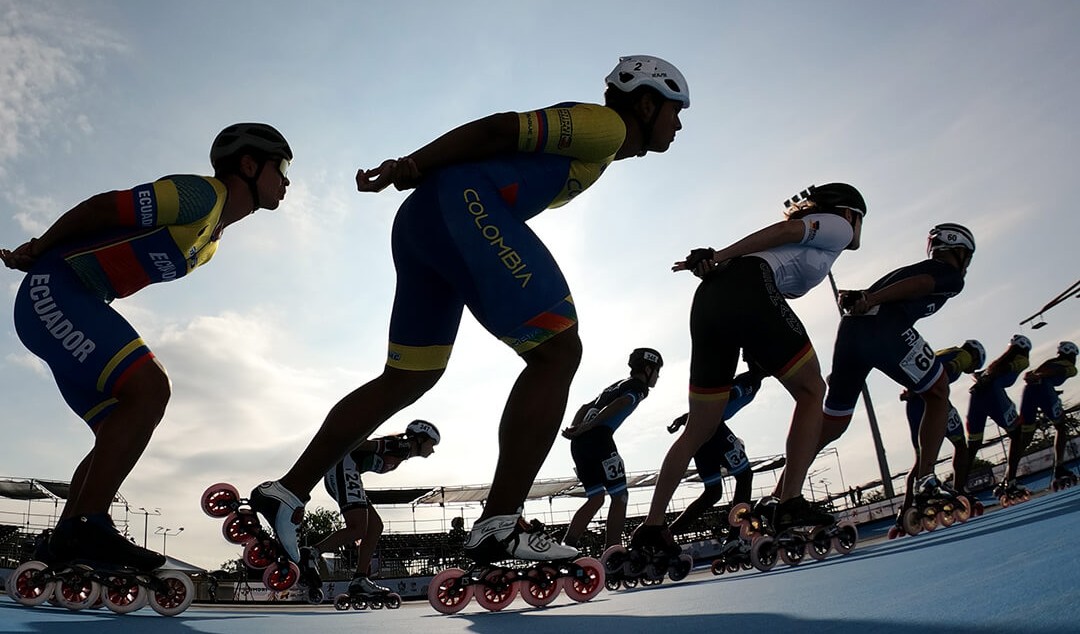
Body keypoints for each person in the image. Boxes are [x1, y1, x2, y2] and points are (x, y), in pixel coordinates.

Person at [248, 55, 691, 566]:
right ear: (646, 102)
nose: (678, 125)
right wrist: (412, 163)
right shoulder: (607, 126)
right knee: (557, 353)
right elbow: (500, 129)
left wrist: (420, 171)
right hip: (461, 207)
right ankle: (499, 524)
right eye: (676, 112)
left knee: (408, 378)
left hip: (424, 222)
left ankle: (287, 492)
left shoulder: (603, 149)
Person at [1, 123, 292, 570]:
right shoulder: (200, 196)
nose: (287, 180)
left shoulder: (212, 243)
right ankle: (88, 528)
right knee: (151, 389)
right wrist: (41, 245)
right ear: (250, 165)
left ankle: (61, 546)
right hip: (55, 290)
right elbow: (104, 208)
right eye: (283, 167)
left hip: (70, 301)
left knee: (116, 430)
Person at [634, 182, 866, 553]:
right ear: (852, 213)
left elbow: (766, 253)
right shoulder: (839, 226)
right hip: (747, 291)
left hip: (713, 298)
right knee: (811, 391)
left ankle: (652, 528)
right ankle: (789, 502)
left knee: (700, 427)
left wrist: (715, 261)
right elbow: (786, 230)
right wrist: (719, 253)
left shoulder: (814, 244)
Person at [818, 223, 975, 521]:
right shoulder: (949, 275)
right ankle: (926, 479)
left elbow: (899, 286)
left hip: (852, 329)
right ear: (959, 252)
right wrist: (872, 298)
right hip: (884, 327)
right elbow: (921, 284)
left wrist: (867, 297)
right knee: (939, 391)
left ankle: (782, 499)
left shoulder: (917, 267)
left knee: (832, 424)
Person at [306, 420, 439, 598]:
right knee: (358, 528)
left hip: (347, 472)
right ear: (421, 439)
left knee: (375, 527)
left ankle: (360, 579)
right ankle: (311, 554)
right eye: (432, 443)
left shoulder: (403, 450)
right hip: (342, 469)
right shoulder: (399, 445)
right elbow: (360, 445)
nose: (433, 449)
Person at [561, 348, 663, 550]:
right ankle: (613, 550)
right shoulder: (639, 387)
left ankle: (566, 547)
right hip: (600, 439)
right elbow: (622, 402)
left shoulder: (615, 385)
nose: (658, 376)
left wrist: (576, 428)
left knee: (596, 498)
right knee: (620, 496)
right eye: (657, 371)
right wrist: (590, 426)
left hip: (579, 444)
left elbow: (584, 406)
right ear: (648, 369)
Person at [666, 362, 766, 560]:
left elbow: (715, 398)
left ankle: (667, 534)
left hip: (700, 429)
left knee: (712, 493)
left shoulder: (747, 379)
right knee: (745, 476)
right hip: (714, 429)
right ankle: (733, 539)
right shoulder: (750, 381)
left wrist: (687, 417)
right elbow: (726, 397)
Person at [900, 339, 985, 495]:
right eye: (976, 364)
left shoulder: (947, 351)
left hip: (914, 402)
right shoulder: (964, 356)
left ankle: (908, 506)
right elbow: (946, 370)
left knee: (920, 460)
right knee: (960, 445)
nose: (973, 368)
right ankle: (959, 491)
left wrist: (911, 391)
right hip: (933, 400)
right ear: (974, 354)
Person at [965, 335, 1031, 496]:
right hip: (994, 394)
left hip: (976, 395)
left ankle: (958, 487)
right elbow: (1003, 371)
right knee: (1017, 434)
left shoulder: (997, 361)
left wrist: (984, 378)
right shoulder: (1023, 360)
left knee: (972, 445)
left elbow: (978, 374)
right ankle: (1011, 481)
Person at [1008, 341, 1078, 489]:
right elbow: (1055, 372)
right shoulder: (1071, 367)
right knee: (1060, 426)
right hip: (1044, 390)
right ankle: (1059, 467)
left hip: (1029, 392)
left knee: (1025, 437)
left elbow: (1033, 375)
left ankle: (1010, 478)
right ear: (1071, 354)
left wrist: (1038, 376)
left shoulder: (1051, 361)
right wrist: (1043, 378)